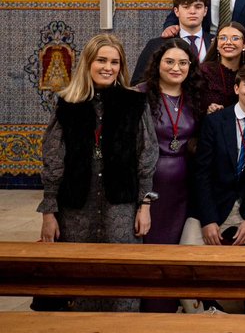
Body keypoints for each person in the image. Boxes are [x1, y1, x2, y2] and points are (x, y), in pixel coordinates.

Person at [38, 34, 156, 312]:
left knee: (122, 276)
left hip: (121, 206)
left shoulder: (135, 103)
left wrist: (145, 205)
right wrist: (48, 212)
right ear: (88, 62)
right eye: (101, 60)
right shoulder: (68, 104)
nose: (108, 67)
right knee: (81, 277)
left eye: (115, 62)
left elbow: (147, 155)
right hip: (78, 207)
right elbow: (53, 159)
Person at [180, 63, 245, 316]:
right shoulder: (215, 122)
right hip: (212, 205)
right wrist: (208, 219)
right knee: (185, 258)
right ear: (236, 88)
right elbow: (201, 174)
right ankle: (203, 320)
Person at [137, 39, 203, 250]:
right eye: (169, 62)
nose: (176, 68)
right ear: (157, 63)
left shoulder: (195, 96)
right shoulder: (140, 95)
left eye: (183, 63)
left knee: (177, 247)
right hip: (150, 184)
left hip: (184, 187)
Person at [134, 0, 211, 80]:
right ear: (176, 11)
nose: (192, 11)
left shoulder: (216, 43)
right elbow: (138, 82)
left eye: (198, 7)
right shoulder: (156, 45)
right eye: (186, 7)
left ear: (205, 11)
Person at [197, 22, 245, 114]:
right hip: (209, 125)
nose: (228, 42)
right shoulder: (204, 71)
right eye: (223, 38)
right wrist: (208, 109)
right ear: (217, 44)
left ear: (244, 45)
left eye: (235, 38)